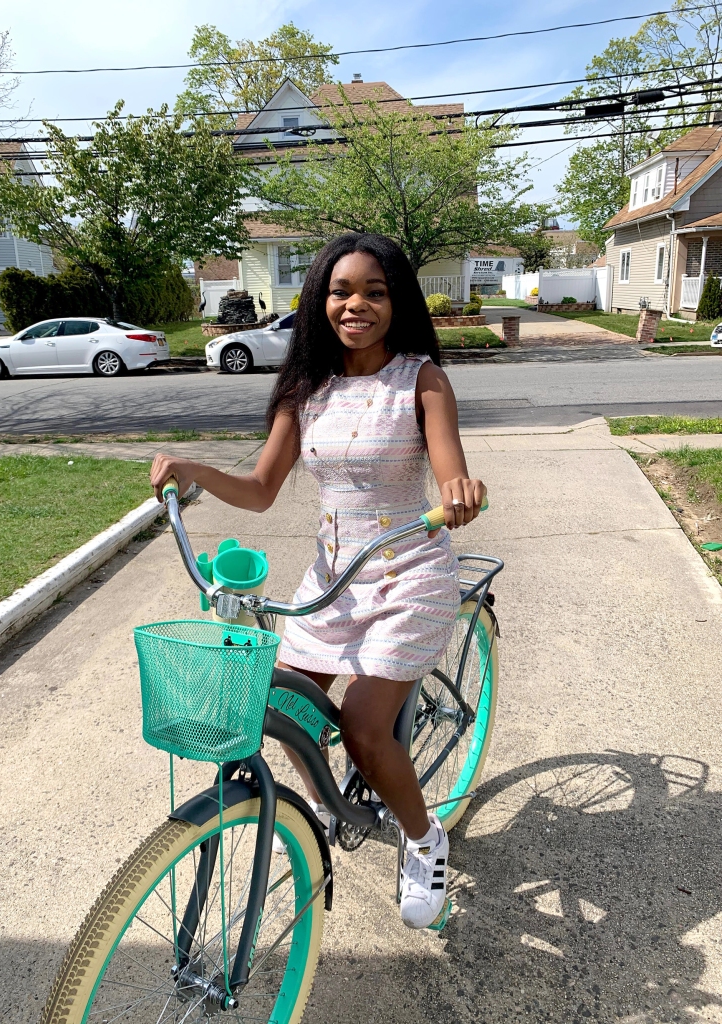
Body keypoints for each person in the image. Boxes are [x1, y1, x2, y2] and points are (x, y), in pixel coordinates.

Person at [150, 232, 486, 929]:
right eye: (341, 291)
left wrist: (458, 489)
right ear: (318, 301)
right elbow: (261, 487)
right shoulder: (305, 388)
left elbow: (450, 462)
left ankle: (424, 840)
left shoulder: (422, 380)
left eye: (374, 291)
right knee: (286, 708)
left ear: (397, 302)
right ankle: (337, 808)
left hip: (407, 571)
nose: (355, 304)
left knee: (365, 731)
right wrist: (197, 471)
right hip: (333, 577)